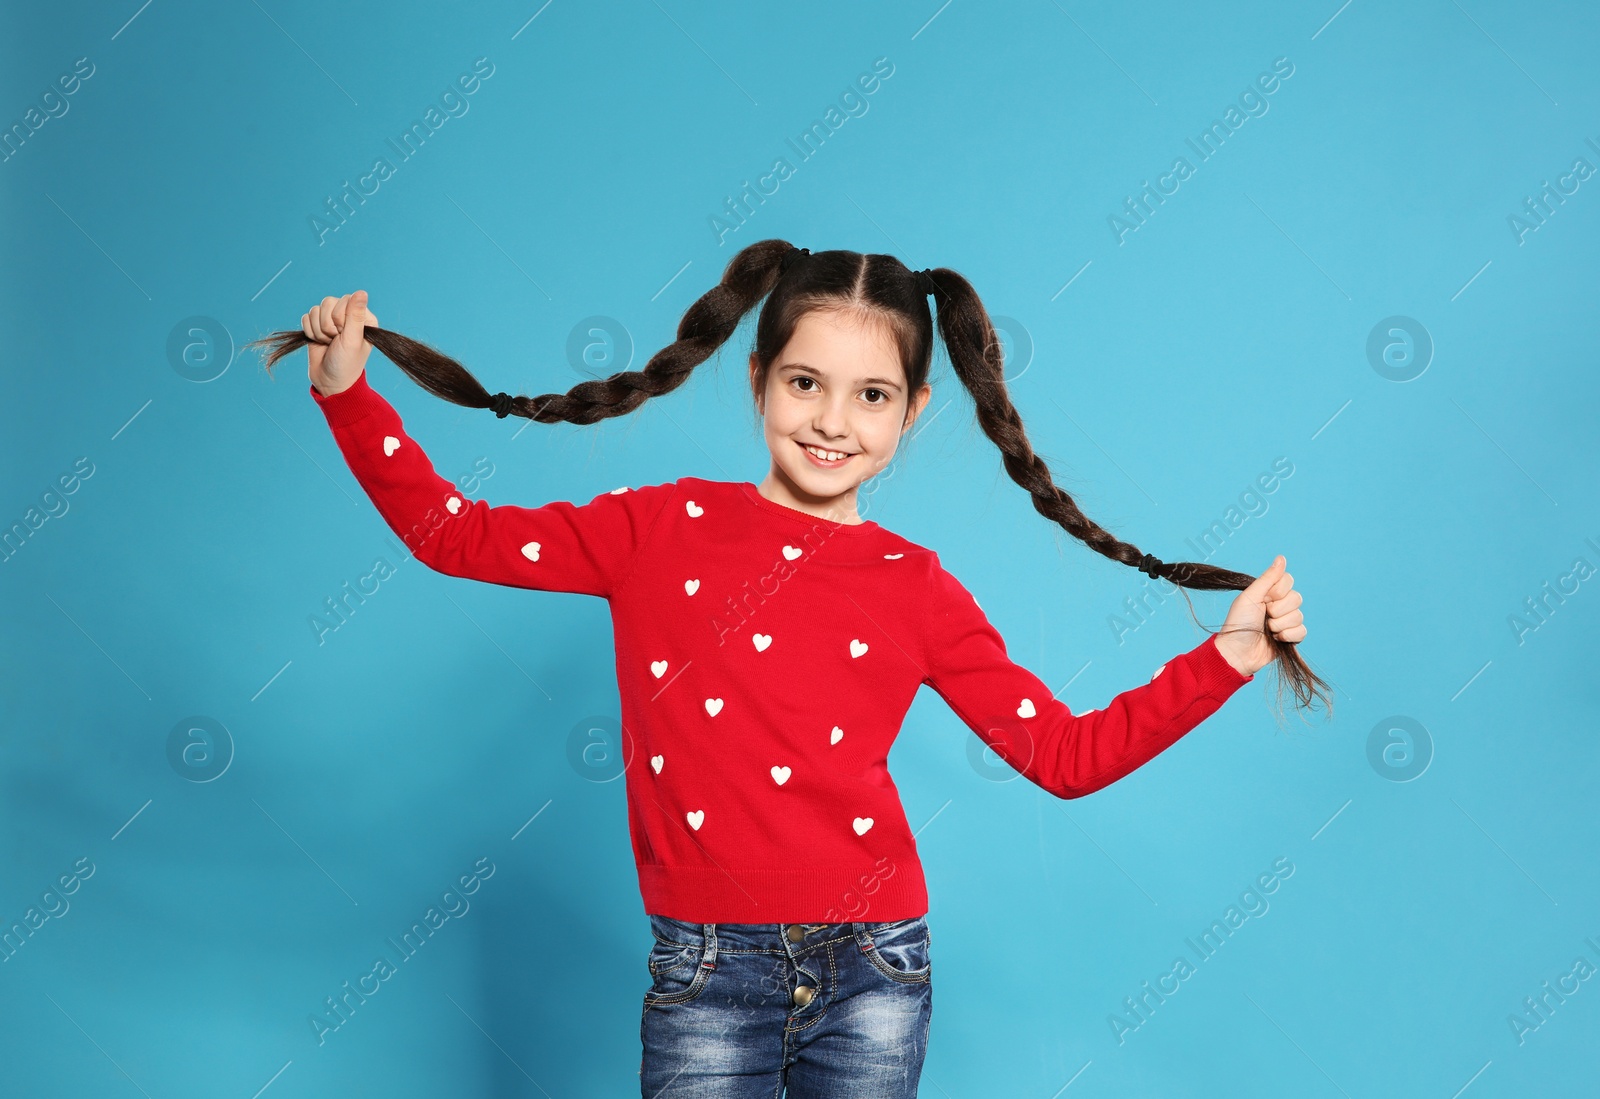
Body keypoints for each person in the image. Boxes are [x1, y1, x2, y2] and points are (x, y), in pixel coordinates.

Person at [250, 240, 1318, 1097]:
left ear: (915, 412)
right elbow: (453, 533)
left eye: (871, 396)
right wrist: (348, 393)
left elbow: (1063, 753)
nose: (831, 421)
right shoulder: (656, 530)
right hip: (706, 970)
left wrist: (1226, 653)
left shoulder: (917, 585)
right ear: (758, 377)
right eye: (807, 382)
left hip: (877, 967)